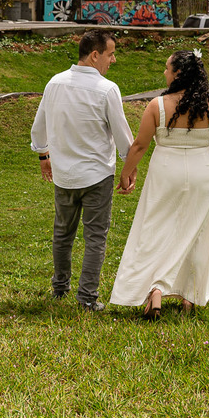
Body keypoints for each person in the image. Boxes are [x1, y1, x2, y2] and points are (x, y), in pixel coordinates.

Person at [109, 49, 209, 319]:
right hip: (203, 172)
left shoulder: (157, 106)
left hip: (165, 172)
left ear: (177, 74)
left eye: (167, 68)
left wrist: (126, 173)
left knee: (156, 229)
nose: (164, 72)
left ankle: (156, 291)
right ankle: (190, 295)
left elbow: (140, 145)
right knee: (198, 231)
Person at [31, 29, 135, 311]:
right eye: (111, 54)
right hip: (97, 176)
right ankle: (87, 297)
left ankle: (60, 288)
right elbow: (123, 137)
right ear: (95, 55)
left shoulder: (54, 83)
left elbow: (39, 127)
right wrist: (130, 165)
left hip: (63, 175)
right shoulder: (107, 89)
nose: (113, 60)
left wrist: (44, 155)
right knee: (95, 237)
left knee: (63, 234)